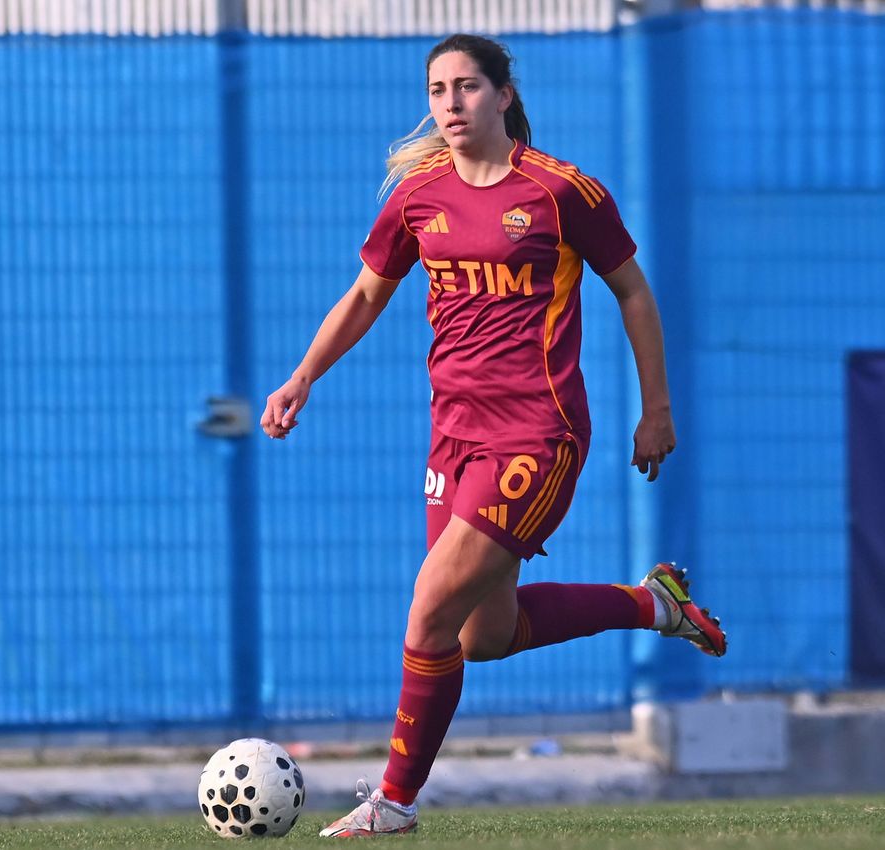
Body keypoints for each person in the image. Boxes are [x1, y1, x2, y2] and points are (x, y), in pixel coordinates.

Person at [259, 33, 726, 838]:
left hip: (537, 434)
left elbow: (634, 293)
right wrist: (303, 375)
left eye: (467, 87)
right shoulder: (417, 196)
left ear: (503, 95)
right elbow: (367, 295)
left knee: (429, 610)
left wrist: (657, 410)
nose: (450, 104)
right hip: (455, 436)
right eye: (438, 89)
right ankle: (653, 604)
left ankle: (394, 804)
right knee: (482, 635)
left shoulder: (560, 192)